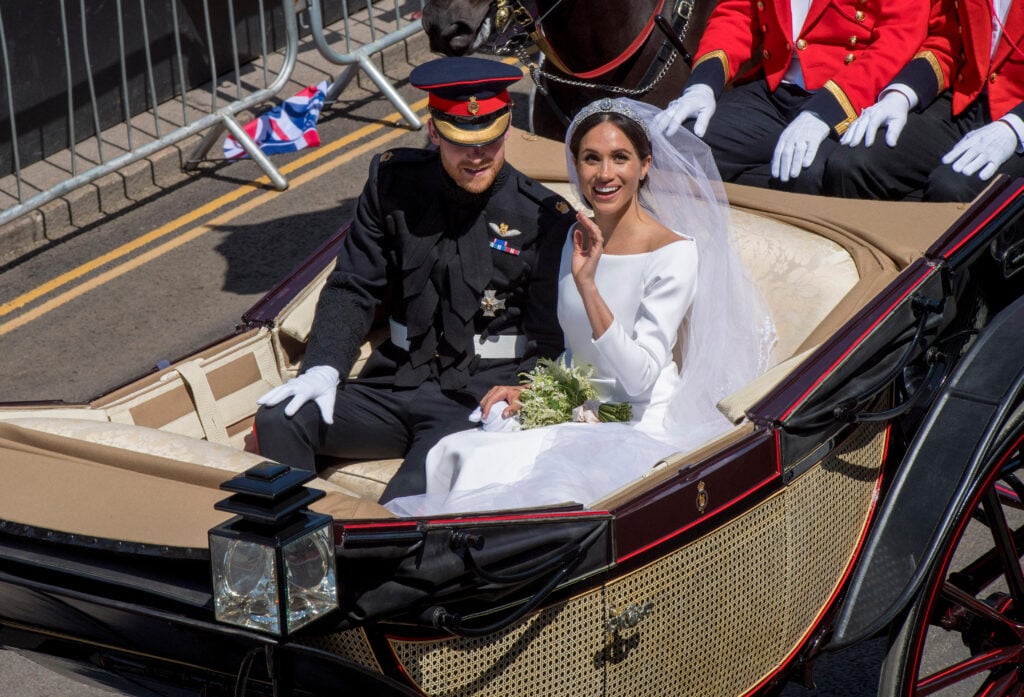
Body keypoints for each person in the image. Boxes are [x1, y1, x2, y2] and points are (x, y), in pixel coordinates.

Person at [385, 98, 776, 517]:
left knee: (533, 483)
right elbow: (573, 352)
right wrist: (537, 390)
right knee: (456, 450)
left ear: (644, 166)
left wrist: (588, 286)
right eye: (591, 159)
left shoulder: (674, 253)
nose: (605, 174)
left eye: (620, 158)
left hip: (637, 421)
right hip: (577, 411)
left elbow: (639, 378)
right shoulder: (575, 233)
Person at [253, 56, 576, 503]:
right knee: (280, 418)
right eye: (462, 142)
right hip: (394, 383)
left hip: (477, 398)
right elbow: (354, 285)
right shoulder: (393, 183)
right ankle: (301, 554)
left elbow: (551, 336)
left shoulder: (543, 216)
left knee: (402, 506)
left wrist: (526, 390)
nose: (478, 155)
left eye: (490, 140)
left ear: (507, 125)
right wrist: (324, 366)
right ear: (433, 130)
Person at [653, 0, 929, 194]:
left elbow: (896, 40)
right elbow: (739, 13)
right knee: (677, 148)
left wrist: (824, 112)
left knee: (805, 175)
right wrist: (702, 84)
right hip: (774, 87)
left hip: (849, 97)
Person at [824, 0, 1024, 202]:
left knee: (952, 190)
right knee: (851, 163)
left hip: (1017, 114)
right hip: (964, 97)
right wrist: (901, 95)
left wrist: (1015, 125)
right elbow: (947, 38)